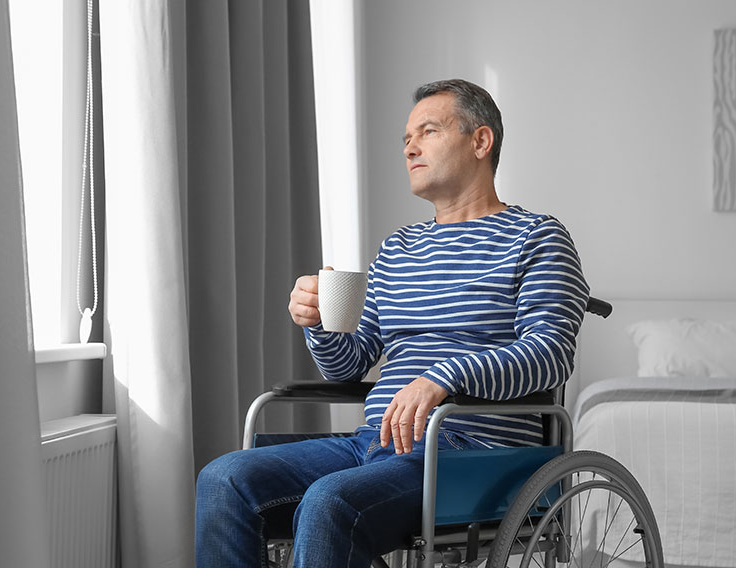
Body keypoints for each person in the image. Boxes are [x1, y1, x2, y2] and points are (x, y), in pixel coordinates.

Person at [195, 79, 590, 567]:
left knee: (329, 502)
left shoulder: (537, 237)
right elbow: (350, 365)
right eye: (406, 138)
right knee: (224, 478)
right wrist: (319, 324)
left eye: (428, 131)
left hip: (474, 452)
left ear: (480, 142)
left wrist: (443, 377)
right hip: (379, 440)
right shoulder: (397, 249)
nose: (410, 147)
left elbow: (550, 354)